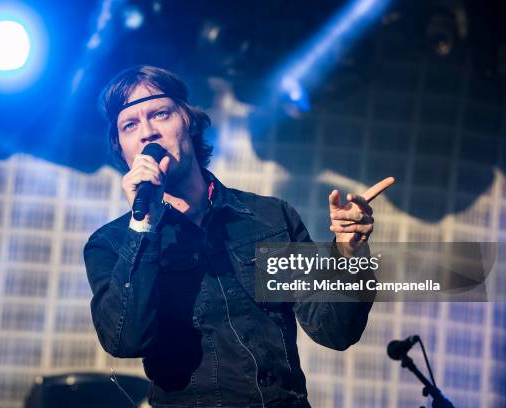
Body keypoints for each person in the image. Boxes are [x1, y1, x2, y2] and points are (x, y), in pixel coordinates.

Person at [84, 65, 394, 407]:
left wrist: (350, 256)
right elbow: (125, 340)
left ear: (188, 121)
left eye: (159, 114)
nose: (147, 133)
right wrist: (142, 225)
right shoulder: (110, 244)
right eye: (130, 125)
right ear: (122, 148)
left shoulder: (270, 217)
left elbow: (334, 331)